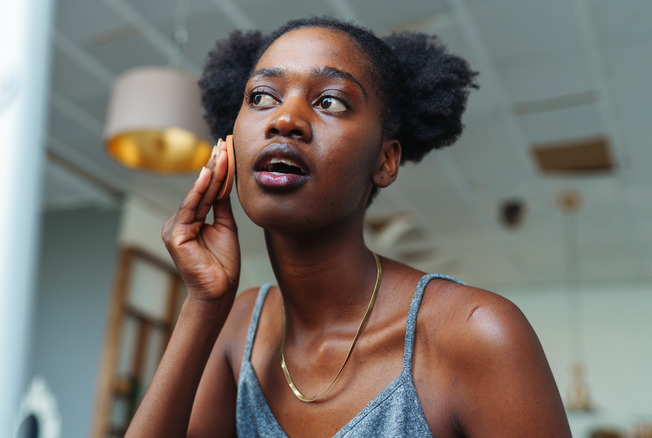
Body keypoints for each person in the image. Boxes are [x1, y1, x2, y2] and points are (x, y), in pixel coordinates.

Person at [127, 16, 571, 437]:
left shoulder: (477, 333)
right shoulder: (240, 324)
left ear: (385, 160)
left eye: (330, 101)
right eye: (262, 96)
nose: (285, 120)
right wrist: (203, 304)